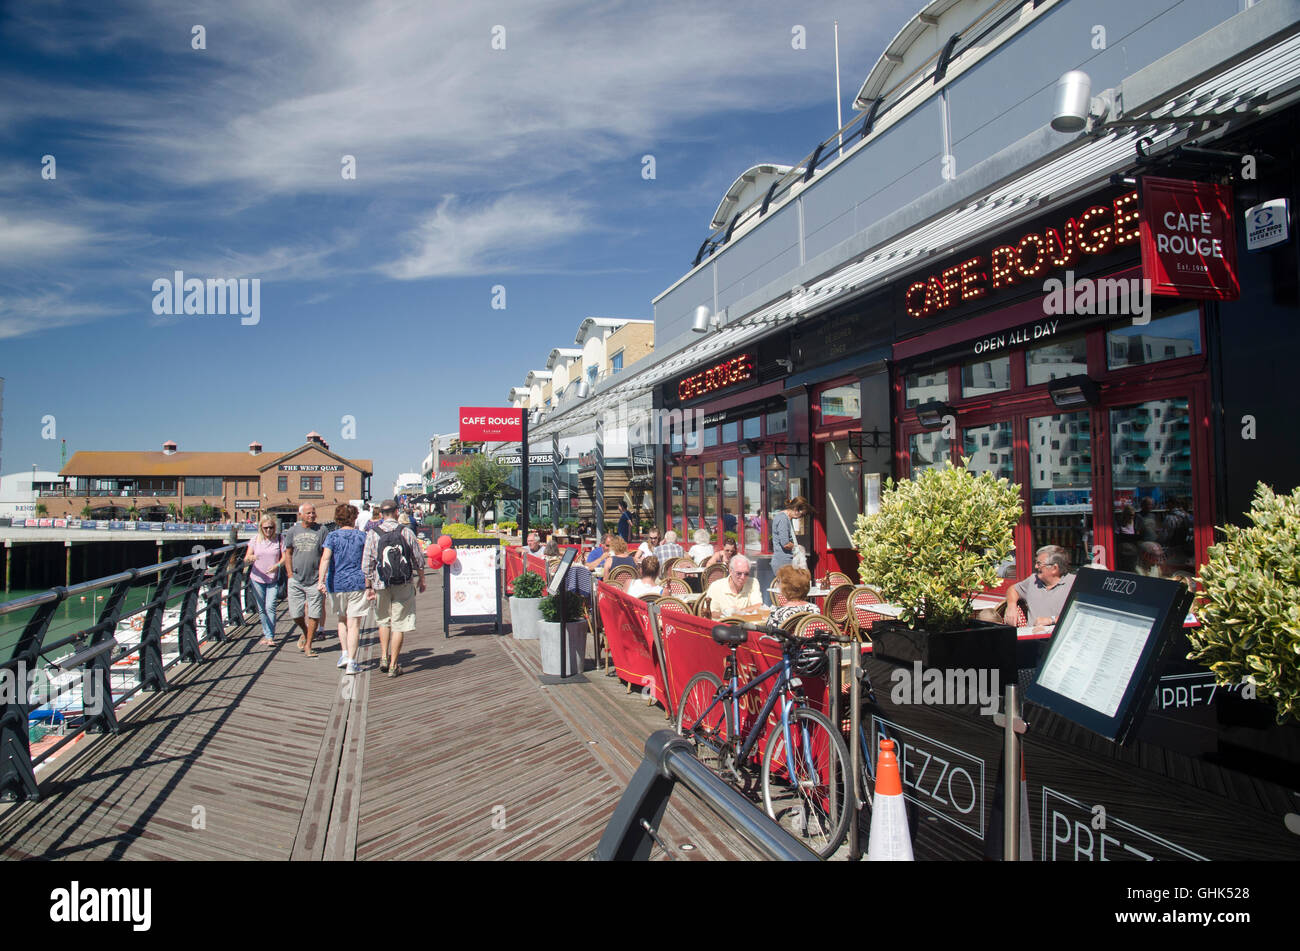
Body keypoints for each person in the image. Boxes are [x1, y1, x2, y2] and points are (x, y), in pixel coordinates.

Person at [363, 499, 427, 678]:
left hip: (380, 582)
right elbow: (418, 558)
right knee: (399, 623)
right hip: (404, 582)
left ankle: (383, 656)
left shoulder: (373, 533)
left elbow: (367, 562)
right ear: (397, 512)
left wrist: (368, 586)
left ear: (382, 514)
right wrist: (421, 579)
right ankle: (393, 665)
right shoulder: (406, 531)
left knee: (383, 620)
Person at [318, 504, 368, 673]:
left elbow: (325, 559)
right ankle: (352, 663)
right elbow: (367, 561)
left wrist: (321, 580)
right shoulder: (362, 536)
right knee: (354, 623)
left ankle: (345, 653)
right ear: (354, 518)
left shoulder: (332, 537)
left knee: (341, 620)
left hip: (336, 582)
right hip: (357, 582)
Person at [282, 503, 330, 656]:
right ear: (300, 514)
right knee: (296, 614)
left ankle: (308, 645)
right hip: (296, 578)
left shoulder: (322, 530)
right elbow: (288, 553)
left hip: (315, 579)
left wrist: (323, 577)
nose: (312, 515)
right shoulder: (292, 531)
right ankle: (306, 630)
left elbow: (325, 554)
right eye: (308, 513)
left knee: (314, 614)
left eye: (313, 513)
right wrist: (289, 574)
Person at [1006, 545, 1075, 629]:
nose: (1035, 566)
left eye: (1039, 564)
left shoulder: (1073, 584)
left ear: (1054, 568)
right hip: (1029, 638)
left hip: (1054, 638)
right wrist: (1011, 605)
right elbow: (1013, 589)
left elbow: (1081, 616)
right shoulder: (1033, 580)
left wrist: (1052, 620)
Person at [244, 515, 283, 645]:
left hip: (273, 578)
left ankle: (270, 636)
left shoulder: (279, 539)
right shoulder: (255, 540)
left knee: (270, 606)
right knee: (262, 608)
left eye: (271, 527)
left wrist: (276, 566)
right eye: (265, 528)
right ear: (261, 527)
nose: (268, 530)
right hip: (257, 578)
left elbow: (284, 558)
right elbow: (246, 557)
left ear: (274, 527)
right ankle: (267, 634)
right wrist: (251, 558)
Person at [707, 555, 764, 620]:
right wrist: (728, 615)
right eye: (739, 573)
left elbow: (758, 606)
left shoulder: (753, 582)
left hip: (745, 626)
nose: (743, 577)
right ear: (730, 571)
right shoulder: (716, 586)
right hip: (722, 626)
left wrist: (739, 612)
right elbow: (710, 612)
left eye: (746, 574)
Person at [770, 497, 812, 573]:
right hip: (783, 563)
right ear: (796, 509)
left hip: (785, 561)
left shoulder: (787, 518)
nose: (800, 517)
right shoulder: (783, 519)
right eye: (802, 514)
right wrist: (798, 548)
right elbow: (785, 544)